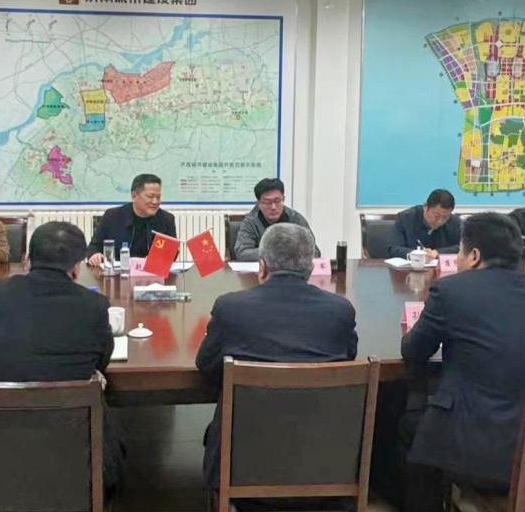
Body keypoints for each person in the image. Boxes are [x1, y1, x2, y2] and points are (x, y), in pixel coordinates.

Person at [400, 212, 525, 511]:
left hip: (475, 450)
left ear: (474, 256)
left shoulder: (451, 291)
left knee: (405, 426)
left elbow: (414, 351)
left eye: (460, 253)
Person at [196, 223, 358, 492]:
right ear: (310, 268)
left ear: (262, 266)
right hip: (324, 463)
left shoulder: (230, 308)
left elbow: (205, 365)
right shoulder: (340, 311)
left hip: (242, 464)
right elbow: (348, 361)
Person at [0, 221, 121, 489]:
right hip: (76, 461)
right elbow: (101, 360)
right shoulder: (93, 305)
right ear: (76, 267)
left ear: (28, 260)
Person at [86, 173, 176, 266]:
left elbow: (171, 256)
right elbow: (94, 247)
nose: (155, 202)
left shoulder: (167, 220)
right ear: (134, 196)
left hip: (151, 271)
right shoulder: (112, 216)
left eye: (158, 197)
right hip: (117, 272)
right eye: (150, 196)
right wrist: (95, 255)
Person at [233, 177, 319, 261]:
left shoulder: (295, 219)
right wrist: (276, 252)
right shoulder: (250, 222)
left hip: (291, 268)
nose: (273, 207)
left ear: (283, 199)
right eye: (267, 202)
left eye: (277, 201)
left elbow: (315, 252)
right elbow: (242, 253)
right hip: (262, 269)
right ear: (258, 203)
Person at [389, 189, 462, 260]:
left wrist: (438, 252)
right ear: (425, 207)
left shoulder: (455, 222)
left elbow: (463, 248)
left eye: (445, 217)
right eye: (436, 216)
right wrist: (417, 254)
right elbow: (394, 249)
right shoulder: (405, 218)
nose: (440, 221)